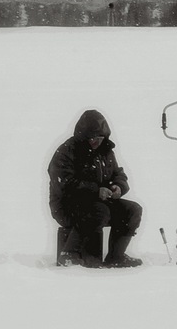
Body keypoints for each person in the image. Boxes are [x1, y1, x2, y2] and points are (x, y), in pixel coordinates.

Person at [48, 109, 143, 268]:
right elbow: (64, 183)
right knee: (99, 211)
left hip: (98, 204)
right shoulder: (66, 151)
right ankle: (69, 254)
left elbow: (118, 174)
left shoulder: (106, 152)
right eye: (91, 138)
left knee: (132, 210)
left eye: (99, 138)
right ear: (83, 136)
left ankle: (116, 257)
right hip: (67, 206)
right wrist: (95, 191)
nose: (95, 142)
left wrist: (118, 187)